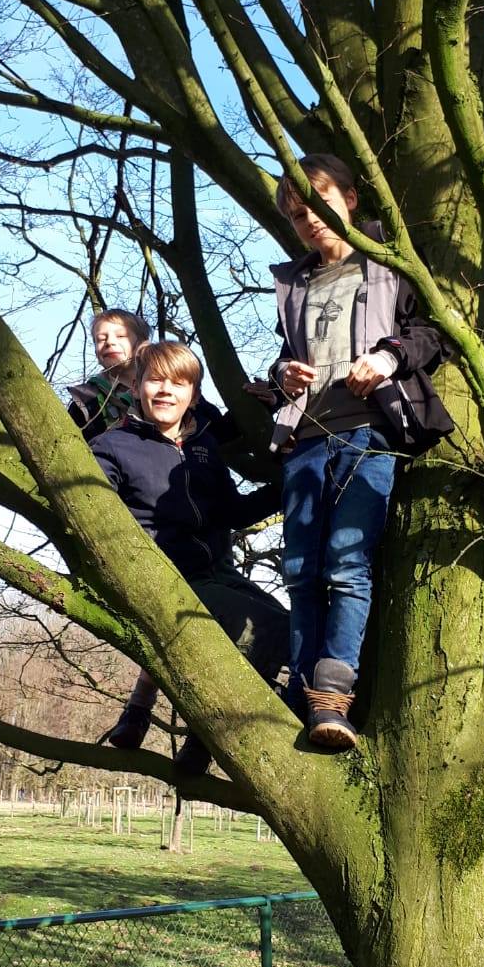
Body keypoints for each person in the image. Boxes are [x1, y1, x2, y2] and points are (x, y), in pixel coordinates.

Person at [266, 153, 454, 752]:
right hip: (304, 439)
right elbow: (282, 359)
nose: (310, 222)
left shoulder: (389, 262)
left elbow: (437, 332)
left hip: (370, 433)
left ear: (348, 198)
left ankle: (332, 694)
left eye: (318, 206)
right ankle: (300, 693)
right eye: (297, 216)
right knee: (300, 573)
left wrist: (388, 357)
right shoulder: (293, 282)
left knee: (347, 564)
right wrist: (282, 375)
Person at [91, 340, 287, 775]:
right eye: (155, 380)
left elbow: (231, 511)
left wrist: (291, 488)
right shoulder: (112, 447)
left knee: (291, 630)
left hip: (217, 572)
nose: (166, 392)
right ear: (138, 386)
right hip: (169, 578)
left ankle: (203, 738)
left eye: (178, 384)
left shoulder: (202, 448)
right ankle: (208, 732)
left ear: (193, 395)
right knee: (264, 627)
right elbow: (98, 522)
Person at [66, 309, 150, 442]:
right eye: (100, 339)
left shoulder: (169, 390)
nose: (109, 342)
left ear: (142, 345)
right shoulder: (86, 402)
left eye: (121, 336)